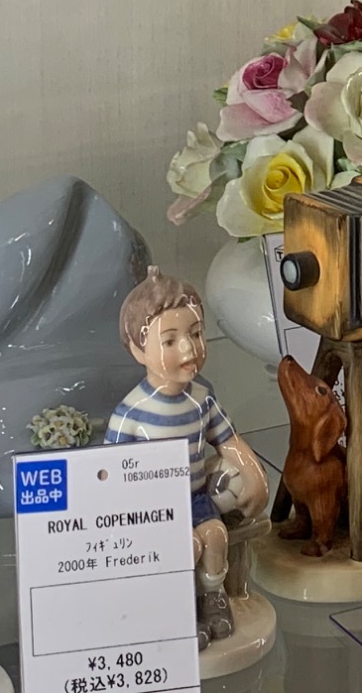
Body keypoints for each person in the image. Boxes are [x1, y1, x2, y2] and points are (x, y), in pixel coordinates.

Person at [106, 268, 269, 644]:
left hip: (195, 498)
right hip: (153, 509)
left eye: (195, 334)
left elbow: (229, 441)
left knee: (215, 535)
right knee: (186, 546)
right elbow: (110, 472)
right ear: (137, 349)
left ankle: (212, 598)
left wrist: (253, 475)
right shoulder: (131, 413)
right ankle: (176, 611)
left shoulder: (201, 401)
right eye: (170, 340)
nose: (189, 349)